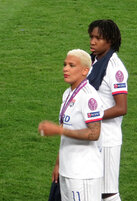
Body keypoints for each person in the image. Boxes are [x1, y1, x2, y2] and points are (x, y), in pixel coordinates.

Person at [39, 49, 104, 201]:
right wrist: (58, 164)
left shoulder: (89, 97)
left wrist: (58, 130)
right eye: (65, 64)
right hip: (67, 171)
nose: (65, 69)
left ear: (85, 70)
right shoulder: (67, 94)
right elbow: (65, 135)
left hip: (83, 174)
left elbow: (94, 133)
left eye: (71, 65)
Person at [87, 19, 128, 201]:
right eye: (91, 37)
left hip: (108, 139)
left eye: (98, 38)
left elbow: (121, 107)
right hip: (93, 136)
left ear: (110, 40)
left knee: (108, 193)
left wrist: (92, 116)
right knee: (92, 188)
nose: (93, 42)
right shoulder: (92, 62)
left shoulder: (114, 68)